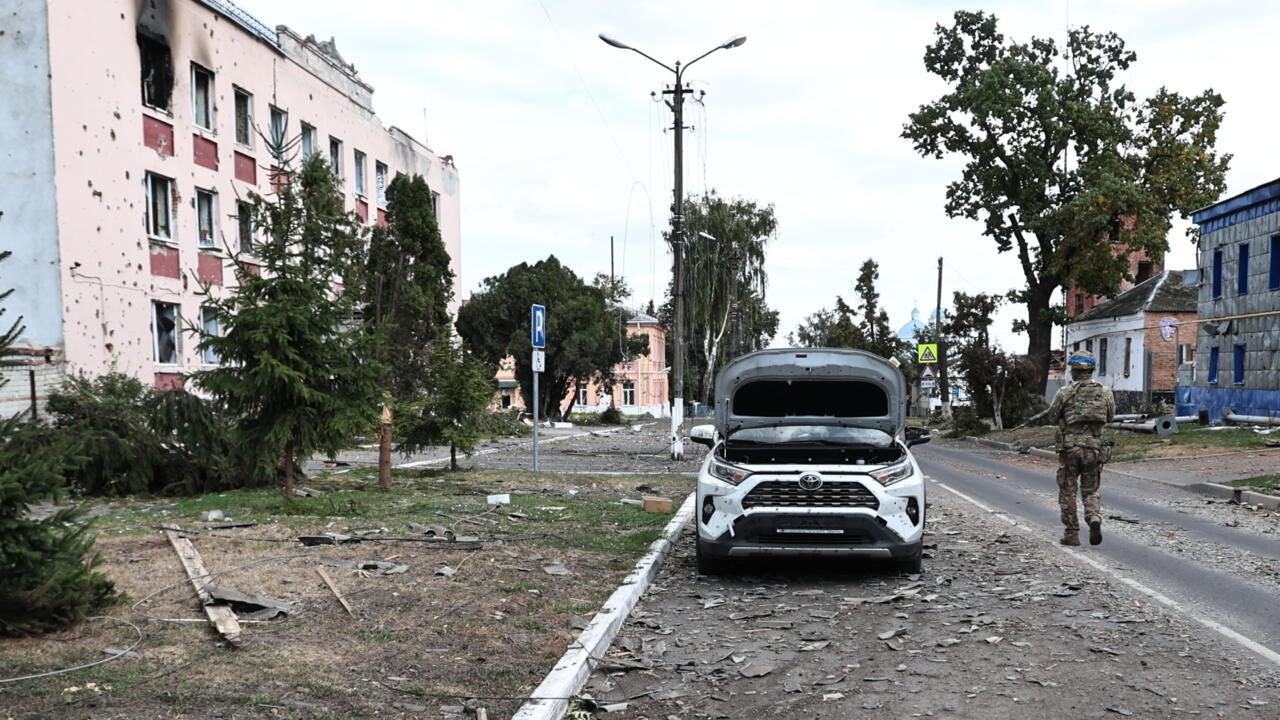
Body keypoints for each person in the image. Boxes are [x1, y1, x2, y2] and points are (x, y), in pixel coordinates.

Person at [1045, 350, 1116, 546]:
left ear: (1073, 370)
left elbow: (1051, 416)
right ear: (1092, 370)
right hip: (1095, 448)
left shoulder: (1064, 392)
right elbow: (1110, 417)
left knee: (1068, 491)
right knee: (1090, 489)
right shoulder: (1105, 392)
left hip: (1070, 449)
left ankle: (1072, 533)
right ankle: (1093, 517)